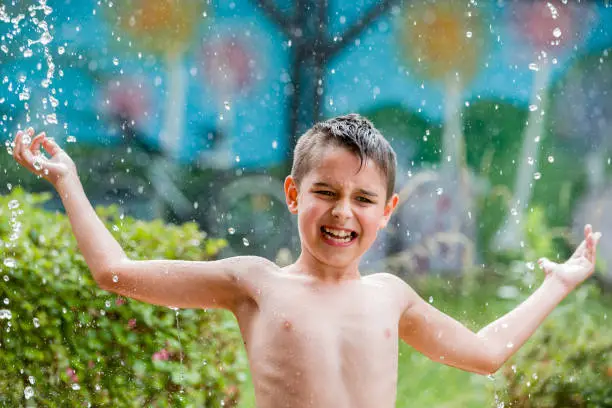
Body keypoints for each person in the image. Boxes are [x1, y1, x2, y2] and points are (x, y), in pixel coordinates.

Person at [11, 114, 601, 408]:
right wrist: (68, 183)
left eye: (363, 199)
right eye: (326, 192)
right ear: (294, 195)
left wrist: (560, 283)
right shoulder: (254, 283)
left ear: (387, 210)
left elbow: (484, 354)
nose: (343, 212)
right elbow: (115, 273)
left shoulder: (389, 295)